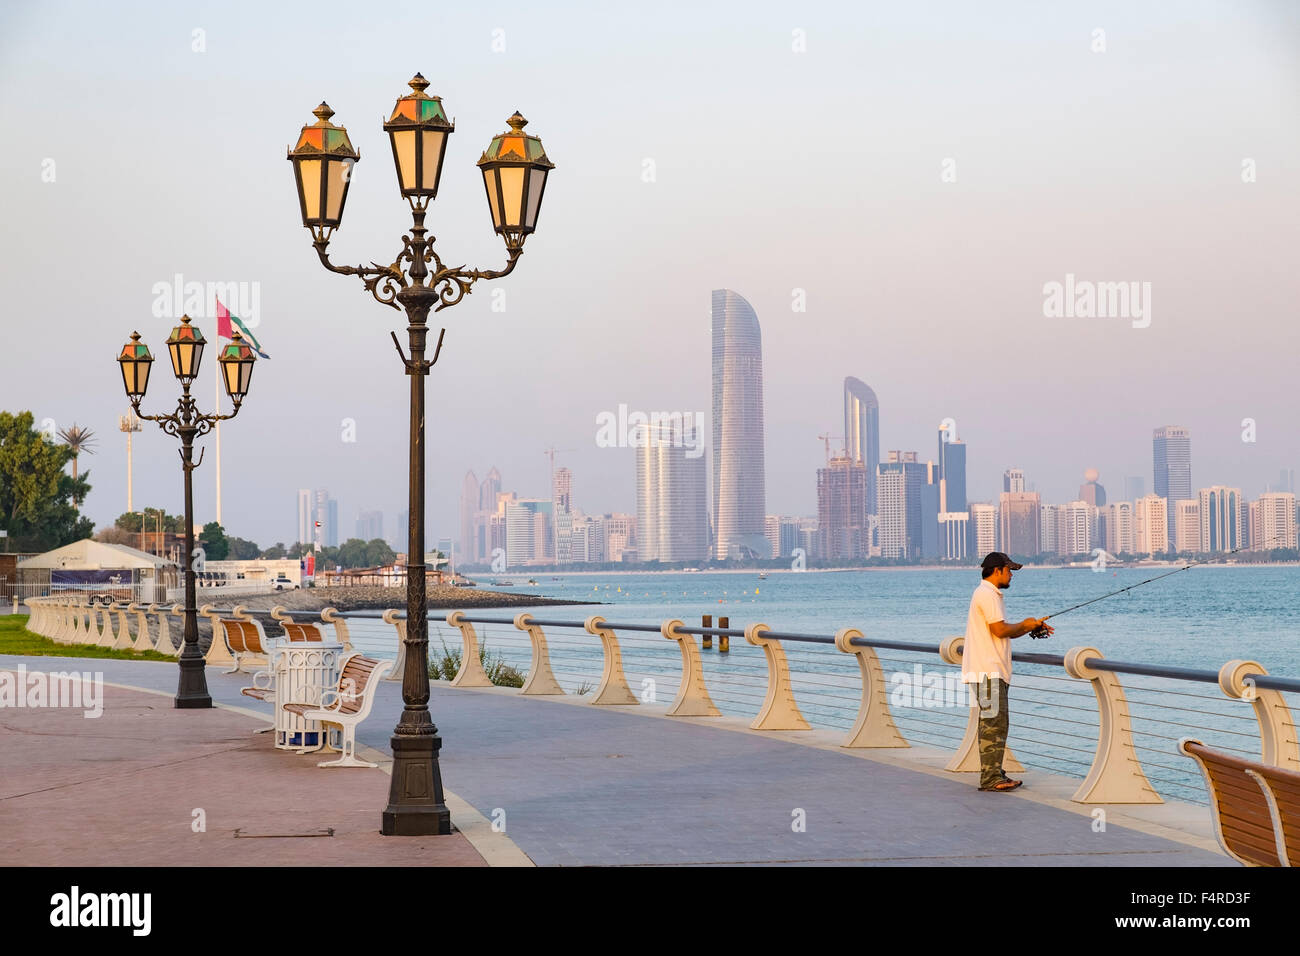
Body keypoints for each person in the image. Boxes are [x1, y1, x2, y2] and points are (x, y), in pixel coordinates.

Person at [963, 552, 1054, 792]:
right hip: (987, 671)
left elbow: (1004, 630)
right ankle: (991, 778)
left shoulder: (987, 594)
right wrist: (1026, 624)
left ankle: (994, 772)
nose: (1011, 575)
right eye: (1009, 570)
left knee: (996, 723)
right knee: (994, 724)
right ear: (997, 571)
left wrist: (1028, 627)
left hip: (989, 671)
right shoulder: (987, 594)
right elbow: (1001, 630)